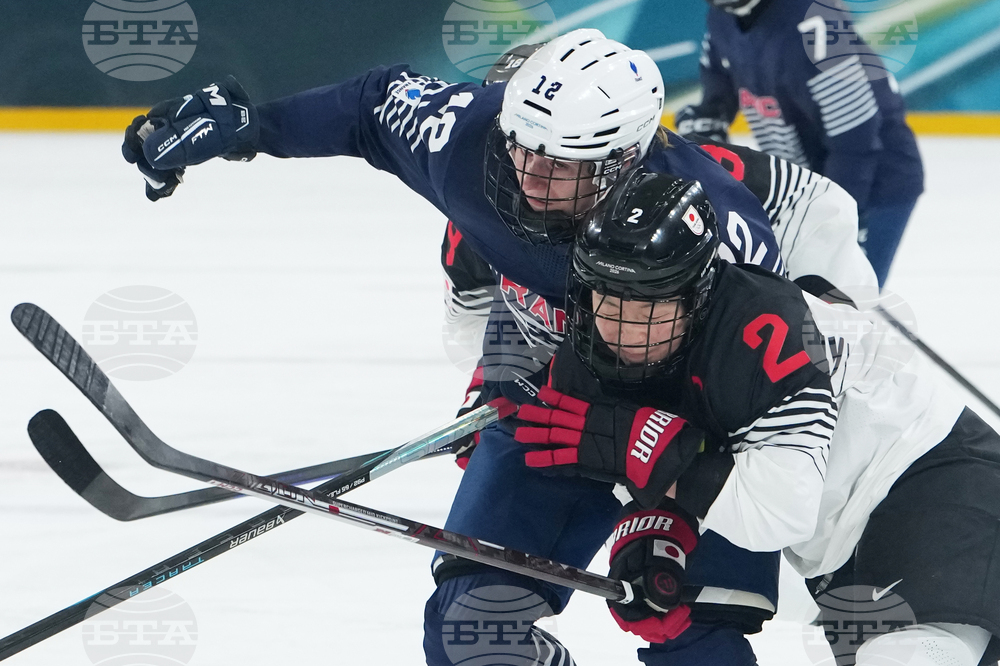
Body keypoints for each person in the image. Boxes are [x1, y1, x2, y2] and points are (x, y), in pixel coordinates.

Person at [121, 29, 865, 664]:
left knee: (690, 629)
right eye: (523, 147)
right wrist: (251, 125)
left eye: (560, 164)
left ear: (625, 162)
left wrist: (666, 510)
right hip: (563, 408)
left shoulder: (719, 240)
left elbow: (752, 404)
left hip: (686, 430)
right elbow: (373, 106)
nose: (528, 176)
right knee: (472, 627)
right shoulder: (474, 145)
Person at [513, 167, 1000, 665]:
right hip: (837, 545)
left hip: (927, 477)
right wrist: (653, 534)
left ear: (695, 294)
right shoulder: (584, 356)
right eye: (607, 299)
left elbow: (780, 511)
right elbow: (647, 456)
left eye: (650, 307)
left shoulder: (765, 329)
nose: (625, 330)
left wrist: (648, 452)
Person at [675, 0, 924, 288]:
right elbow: (718, 81)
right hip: (805, 186)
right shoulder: (723, 16)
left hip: (877, 181)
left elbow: (856, 137)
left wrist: (837, 217)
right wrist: (709, 121)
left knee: (840, 305)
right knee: (800, 302)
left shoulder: (812, 21)